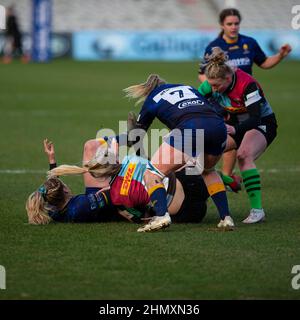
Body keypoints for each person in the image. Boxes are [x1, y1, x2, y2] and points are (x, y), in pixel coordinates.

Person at [123, 74, 234, 232]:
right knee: (208, 171)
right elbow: (216, 108)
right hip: (217, 127)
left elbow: (137, 136)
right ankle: (226, 218)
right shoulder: (187, 87)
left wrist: (129, 135)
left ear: (149, 90)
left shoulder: (153, 97)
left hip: (191, 128)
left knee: (152, 173)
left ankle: (161, 216)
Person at [198, 8, 291, 188]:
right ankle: (226, 177)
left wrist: (280, 55)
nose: (233, 27)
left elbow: (264, 63)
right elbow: (204, 76)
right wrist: (214, 89)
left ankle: (226, 177)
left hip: (246, 97)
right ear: (222, 25)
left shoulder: (249, 43)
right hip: (226, 102)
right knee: (227, 140)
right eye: (229, 24)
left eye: (236, 23)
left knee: (238, 142)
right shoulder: (214, 47)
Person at [26, 139, 209, 226]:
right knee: (167, 168)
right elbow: (113, 198)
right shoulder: (81, 206)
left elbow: (52, 189)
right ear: (64, 191)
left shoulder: (54, 209)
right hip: (112, 202)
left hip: (109, 192)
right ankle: (124, 138)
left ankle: (122, 140)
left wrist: (52, 161)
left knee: (90, 145)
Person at [198, 47, 278, 224]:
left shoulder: (247, 85)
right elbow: (196, 103)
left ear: (228, 78)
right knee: (200, 156)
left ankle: (257, 211)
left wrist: (234, 130)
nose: (213, 89)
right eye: (211, 85)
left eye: (217, 85)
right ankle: (227, 179)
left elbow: (255, 118)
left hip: (261, 123)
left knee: (244, 154)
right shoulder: (211, 84)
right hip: (233, 124)